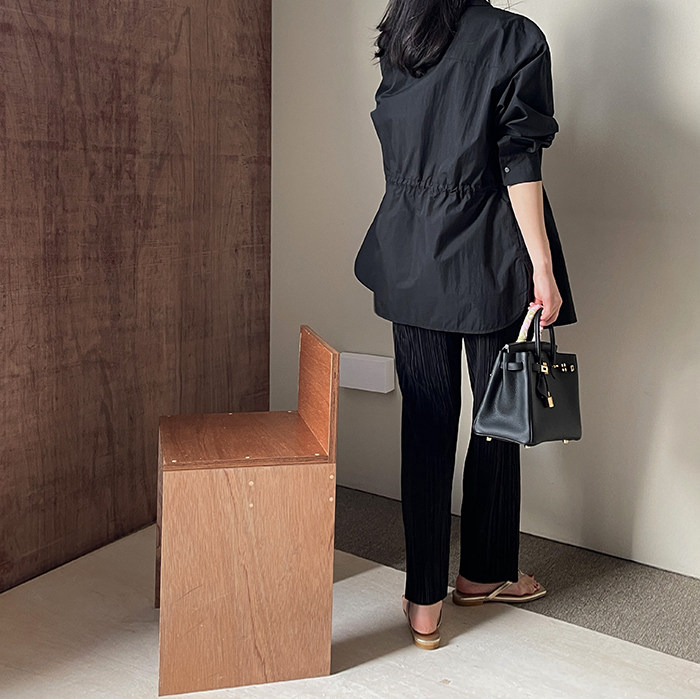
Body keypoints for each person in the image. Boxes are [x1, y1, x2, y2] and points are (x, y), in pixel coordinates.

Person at [353, 0, 578, 650]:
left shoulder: (403, 35)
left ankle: (423, 601)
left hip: (410, 255)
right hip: (486, 258)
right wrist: (543, 267)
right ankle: (482, 573)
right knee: (496, 416)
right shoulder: (515, 38)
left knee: (424, 422)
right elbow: (518, 160)